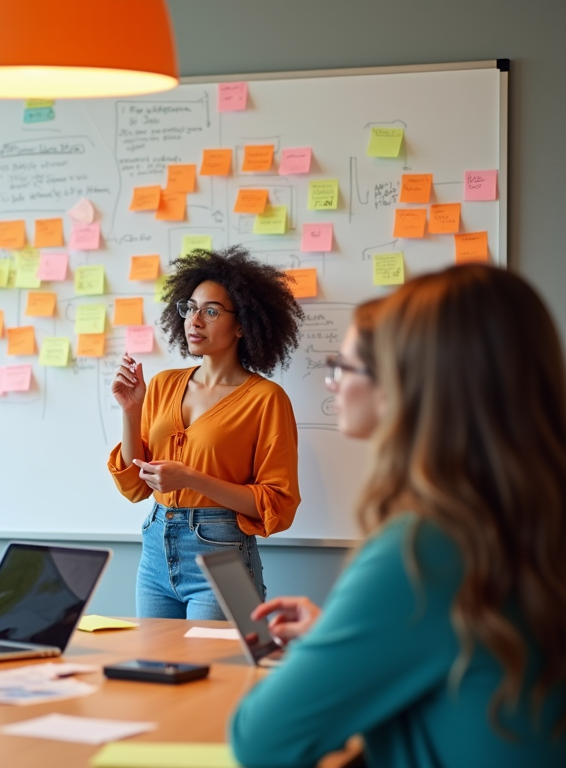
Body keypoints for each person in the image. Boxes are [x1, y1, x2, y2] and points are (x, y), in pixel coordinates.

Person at [231, 265, 566, 767]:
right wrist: (345, 635)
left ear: (405, 387)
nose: (333, 384)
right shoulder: (529, 517)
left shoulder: (425, 547)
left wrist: (329, 648)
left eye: (344, 366)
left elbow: (261, 740)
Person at [108, 247, 305, 617]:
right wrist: (131, 411)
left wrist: (191, 479)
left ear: (242, 324)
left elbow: (276, 503)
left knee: (218, 673)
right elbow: (135, 487)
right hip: (155, 552)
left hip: (222, 555)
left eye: (211, 311)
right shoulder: (165, 384)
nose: (195, 320)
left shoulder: (266, 399)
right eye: (190, 308)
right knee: (153, 670)